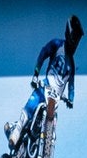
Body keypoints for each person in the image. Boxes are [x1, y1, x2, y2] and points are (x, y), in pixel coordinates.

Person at [7, 14, 82, 145]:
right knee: (35, 98)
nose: (76, 41)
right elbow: (43, 54)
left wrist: (71, 98)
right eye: (75, 37)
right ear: (69, 34)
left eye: (78, 38)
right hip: (46, 87)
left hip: (56, 98)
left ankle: (44, 152)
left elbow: (71, 84)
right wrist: (36, 73)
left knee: (54, 120)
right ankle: (17, 129)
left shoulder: (72, 64)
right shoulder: (57, 44)